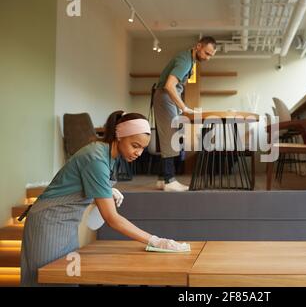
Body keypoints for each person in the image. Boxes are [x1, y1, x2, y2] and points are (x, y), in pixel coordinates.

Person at [20, 111, 187, 287]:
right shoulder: (96, 159)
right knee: (46, 280)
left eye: (143, 148)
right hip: (49, 221)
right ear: (119, 136)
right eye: (135, 145)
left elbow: (76, 190)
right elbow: (112, 218)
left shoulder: (110, 157)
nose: (138, 152)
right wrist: (156, 241)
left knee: (67, 278)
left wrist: (104, 192)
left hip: (67, 223)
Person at [153, 36, 217, 192]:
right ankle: (169, 181)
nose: (208, 58)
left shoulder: (190, 60)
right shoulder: (186, 61)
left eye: (211, 55)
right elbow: (169, 86)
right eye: (207, 53)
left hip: (166, 98)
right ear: (198, 46)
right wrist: (184, 107)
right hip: (165, 97)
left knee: (169, 136)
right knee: (170, 137)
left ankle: (162, 179)